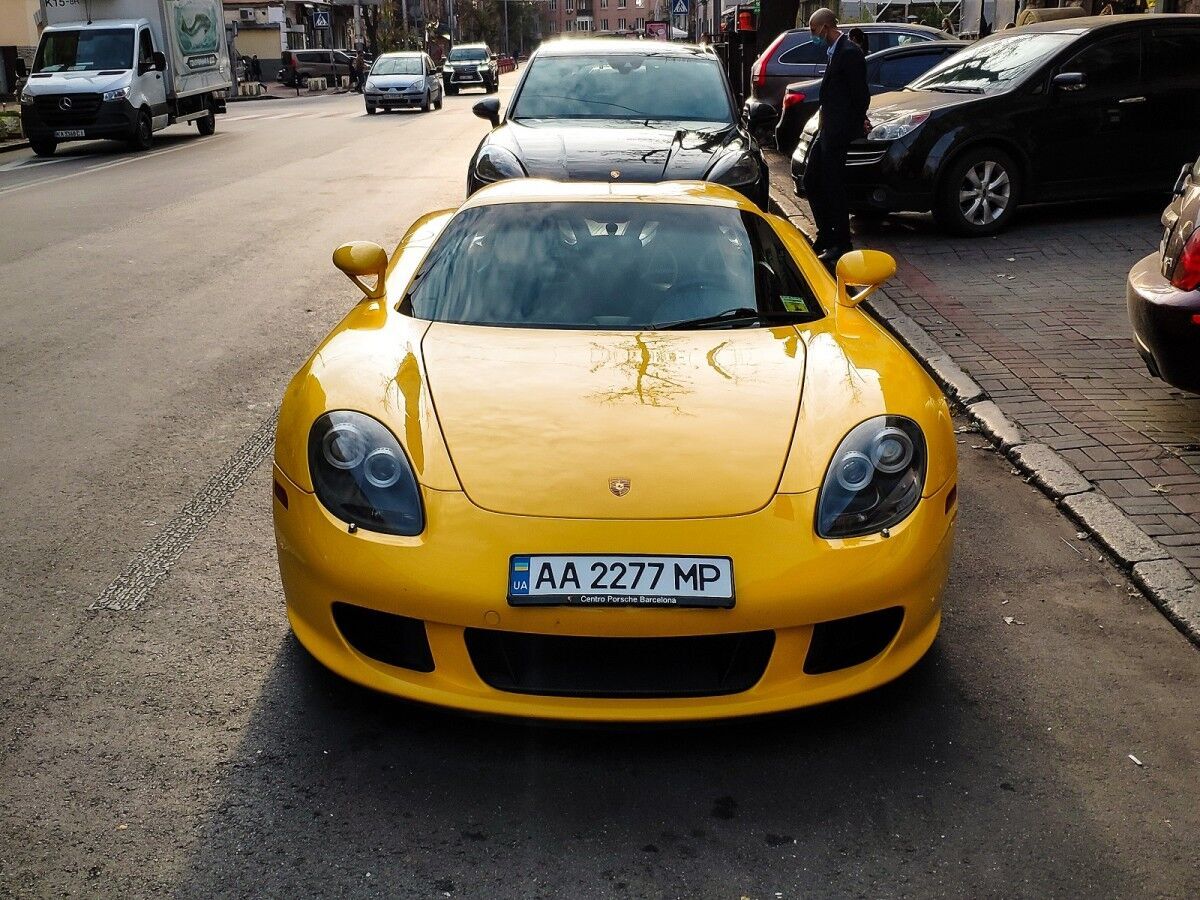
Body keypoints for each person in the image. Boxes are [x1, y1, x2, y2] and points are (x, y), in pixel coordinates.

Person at [801, 8, 870, 266]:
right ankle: (826, 233)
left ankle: (840, 243)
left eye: (813, 30)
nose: (812, 35)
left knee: (833, 186)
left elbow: (860, 95)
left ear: (825, 27)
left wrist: (854, 122)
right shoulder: (834, 52)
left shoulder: (849, 53)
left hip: (837, 132)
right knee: (811, 179)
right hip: (827, 129)